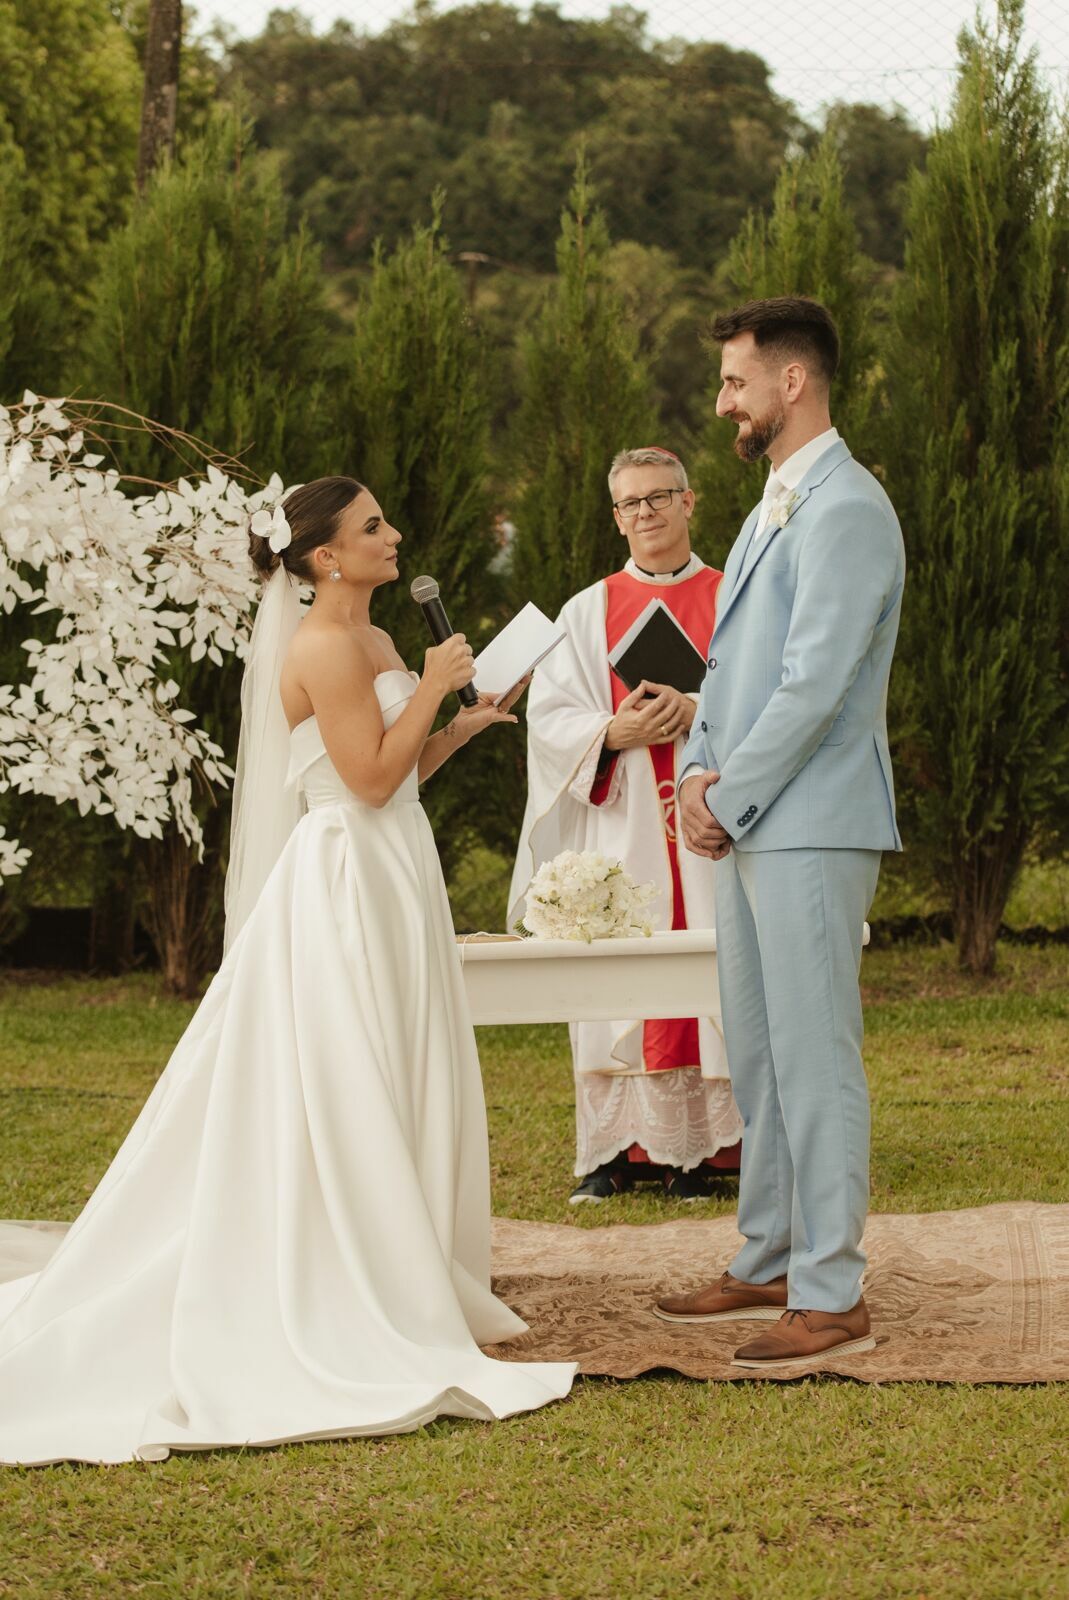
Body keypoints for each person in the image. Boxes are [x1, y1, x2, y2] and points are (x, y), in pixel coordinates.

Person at [0, 476, 575, 1465]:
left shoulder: (383, 642)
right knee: (340, 1075)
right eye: (371, 528)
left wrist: (457, 727)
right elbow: (361, 781)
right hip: (345, 881)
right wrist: (438, 685)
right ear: (324, 558)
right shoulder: (318, 646)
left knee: (396, 1061)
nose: (393, 537)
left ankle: (406, 1261)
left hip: (398, 868)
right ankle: (344, 1277)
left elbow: (400, 769)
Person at [654, 298, 905, 1367]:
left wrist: (728, 792)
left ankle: (832, 1289)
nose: (722, 402)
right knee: (757, 1056)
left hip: (811, 820)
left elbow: (814, 685)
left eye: (733, 382)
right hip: (754, 813)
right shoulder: (771, 506)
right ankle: (767, 1257)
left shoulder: (847, 507)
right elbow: (729, 668)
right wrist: (694, 776)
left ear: (790, 382)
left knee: (814, 1058)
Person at [510, 447, 742, 1205]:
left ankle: (715, 1153)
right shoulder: (587, 609)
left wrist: (697, 711)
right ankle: (621, 1152)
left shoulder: (734, 594)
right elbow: (549, 721)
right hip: (623, 822)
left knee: (714, 970)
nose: (643, 514)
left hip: (711, 824)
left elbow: (771, 697)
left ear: (689, 502)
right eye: (628, 504)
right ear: (615, 515)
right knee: (619, 980)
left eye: (658, 497)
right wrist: (611, 733)